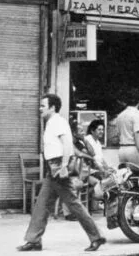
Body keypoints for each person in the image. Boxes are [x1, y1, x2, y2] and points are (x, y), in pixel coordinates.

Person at [17, 94, 106, 252]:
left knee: (73, 203)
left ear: (52, 107)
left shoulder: (57, 121)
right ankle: (34, 240)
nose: (40, 108)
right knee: (42, 204)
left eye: (43, 106)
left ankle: (96, 237)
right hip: (53, 168)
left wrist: (64, 165)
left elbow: (67, 144)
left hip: (58, 167)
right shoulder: (51, 122)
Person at [117, 88, 139, 166]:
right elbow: (137, 136)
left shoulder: (120, 115)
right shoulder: (137, 114)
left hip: (122, 150)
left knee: (125, 175)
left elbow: (119, 134)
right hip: (133, 149)